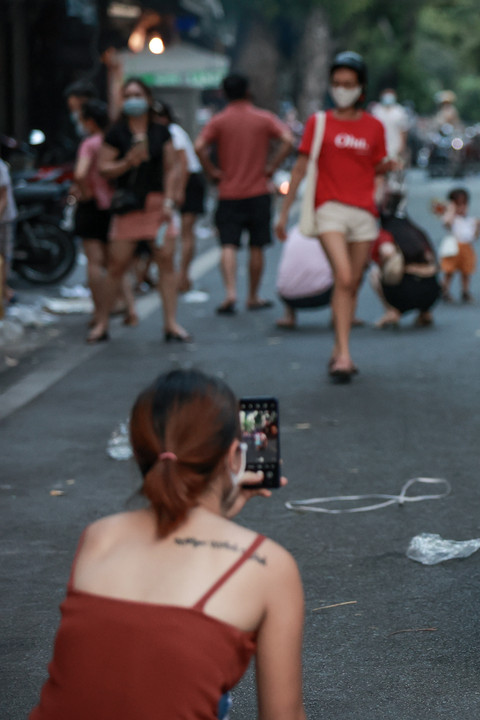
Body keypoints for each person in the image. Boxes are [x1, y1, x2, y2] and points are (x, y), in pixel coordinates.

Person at [29, 369, 306, 719]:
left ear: (139, 451)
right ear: (235, 453)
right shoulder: (266, 564)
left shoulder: (100, 536)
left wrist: (216, 512)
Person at [275, 51, 394, 383]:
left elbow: (377, 165)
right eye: (337, 83)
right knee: (342, 276)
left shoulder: (374, 127)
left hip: (364, 214)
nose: (342, 88)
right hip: (328, 209)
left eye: (348, 83)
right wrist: (284, 215)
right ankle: (343, 355)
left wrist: (388, 170)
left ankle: (339, 346)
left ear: (361, 88)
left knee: (352, 282)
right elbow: (300, 168)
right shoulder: (319, 122)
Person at [90, 78, 190, 344]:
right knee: (116, 266)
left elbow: (173, 167)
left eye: (138, 94)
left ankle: (171, 323)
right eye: (128, 95)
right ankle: (102, 322)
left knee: (166, 263)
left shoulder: (161, 132)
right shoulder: (116, 133)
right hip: (129, 208)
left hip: (158, 207)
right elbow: (104, 168)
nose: (133, 99)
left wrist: (170, 200)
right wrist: (127, 162)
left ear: (147, 98)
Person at [195, 74, 295, 315]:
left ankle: (230, 293)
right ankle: (252, 295)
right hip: (258, 190)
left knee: (228, 244)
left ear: (224, 93)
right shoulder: (263, 118)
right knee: (256, 245)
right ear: (248, 91)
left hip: (228, 192)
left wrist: (213, 172)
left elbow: (199, 146)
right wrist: (272, 167)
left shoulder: (219, 121)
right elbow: (288, 140)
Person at [71, 99, 136, 328]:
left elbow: (80, 173)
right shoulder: (113, 141)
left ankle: (100, 313)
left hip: (91, 208)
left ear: (89, 122)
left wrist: (87, 193)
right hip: (114, 207)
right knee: (116, 263)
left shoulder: (89, 144)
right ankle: (130, 308)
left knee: (95, 263)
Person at [155, 101, 206, 293]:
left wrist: (180, 191)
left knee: (185, 231)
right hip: (179, 183)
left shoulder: (173, 133)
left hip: (189, 182)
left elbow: (182, 164)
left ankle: (183, 276)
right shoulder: (160, 133)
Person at [368, 202, 440, 329]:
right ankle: (425, 312)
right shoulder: (417, 232)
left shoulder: (387, 233)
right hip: (432, 292)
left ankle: (392, 311)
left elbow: (387, 251)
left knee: (374, 273)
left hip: (404, 293)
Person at [274, 225, 334, 330]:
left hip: (287, 297)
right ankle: (339, 315)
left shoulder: (294, 230)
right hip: (322, 294)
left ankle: (289, 315)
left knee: (293, 268)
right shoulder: (332, 231)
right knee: (348, 267)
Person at [436, 187, 480, 304]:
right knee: (449, 271)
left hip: (467, 248)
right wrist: (451, 210)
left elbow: (474, 236)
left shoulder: (471, 220)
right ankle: (444, 290)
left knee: (466, 271)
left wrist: (479, 227)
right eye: (458, 204)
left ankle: (465, 291)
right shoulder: (452, 219)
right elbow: (446, 223)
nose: (461, 208)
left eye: (464, 204)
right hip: (453, 249)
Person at [0, 153, 16, 306]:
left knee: (3, 257)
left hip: (3, 220)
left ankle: (4, 290)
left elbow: (3, 197)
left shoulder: (0, 167)